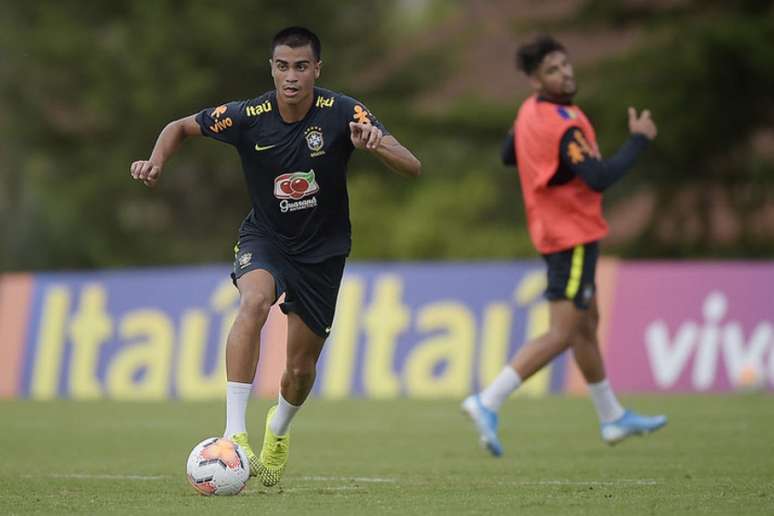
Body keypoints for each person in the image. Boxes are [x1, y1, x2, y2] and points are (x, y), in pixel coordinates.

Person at [130, 27, 421, 485]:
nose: (291, 76)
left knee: (299, 370)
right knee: (253, 303)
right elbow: (179, 127)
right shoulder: (249, 115)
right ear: (272, 68)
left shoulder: (343, 111)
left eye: (301, 66)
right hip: (265, 238)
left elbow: (412, 165)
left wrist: (376, 144)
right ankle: (234, 436)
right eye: (283, 66)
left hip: (323, 251)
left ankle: (278, 431)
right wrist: (156, 162)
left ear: (316, 69)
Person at [462, 35, 665, 457]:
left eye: (565, 64)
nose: (565, 73)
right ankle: (489, 400)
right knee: (563, 332)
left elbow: (506, 153)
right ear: (537, 80)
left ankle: (611, 417)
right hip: (571, 236)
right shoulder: (563, 123)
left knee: (587, 321)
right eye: (553, 69)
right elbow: (598, 177)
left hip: (560, 232)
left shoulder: (530, 112)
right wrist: (639, 140)